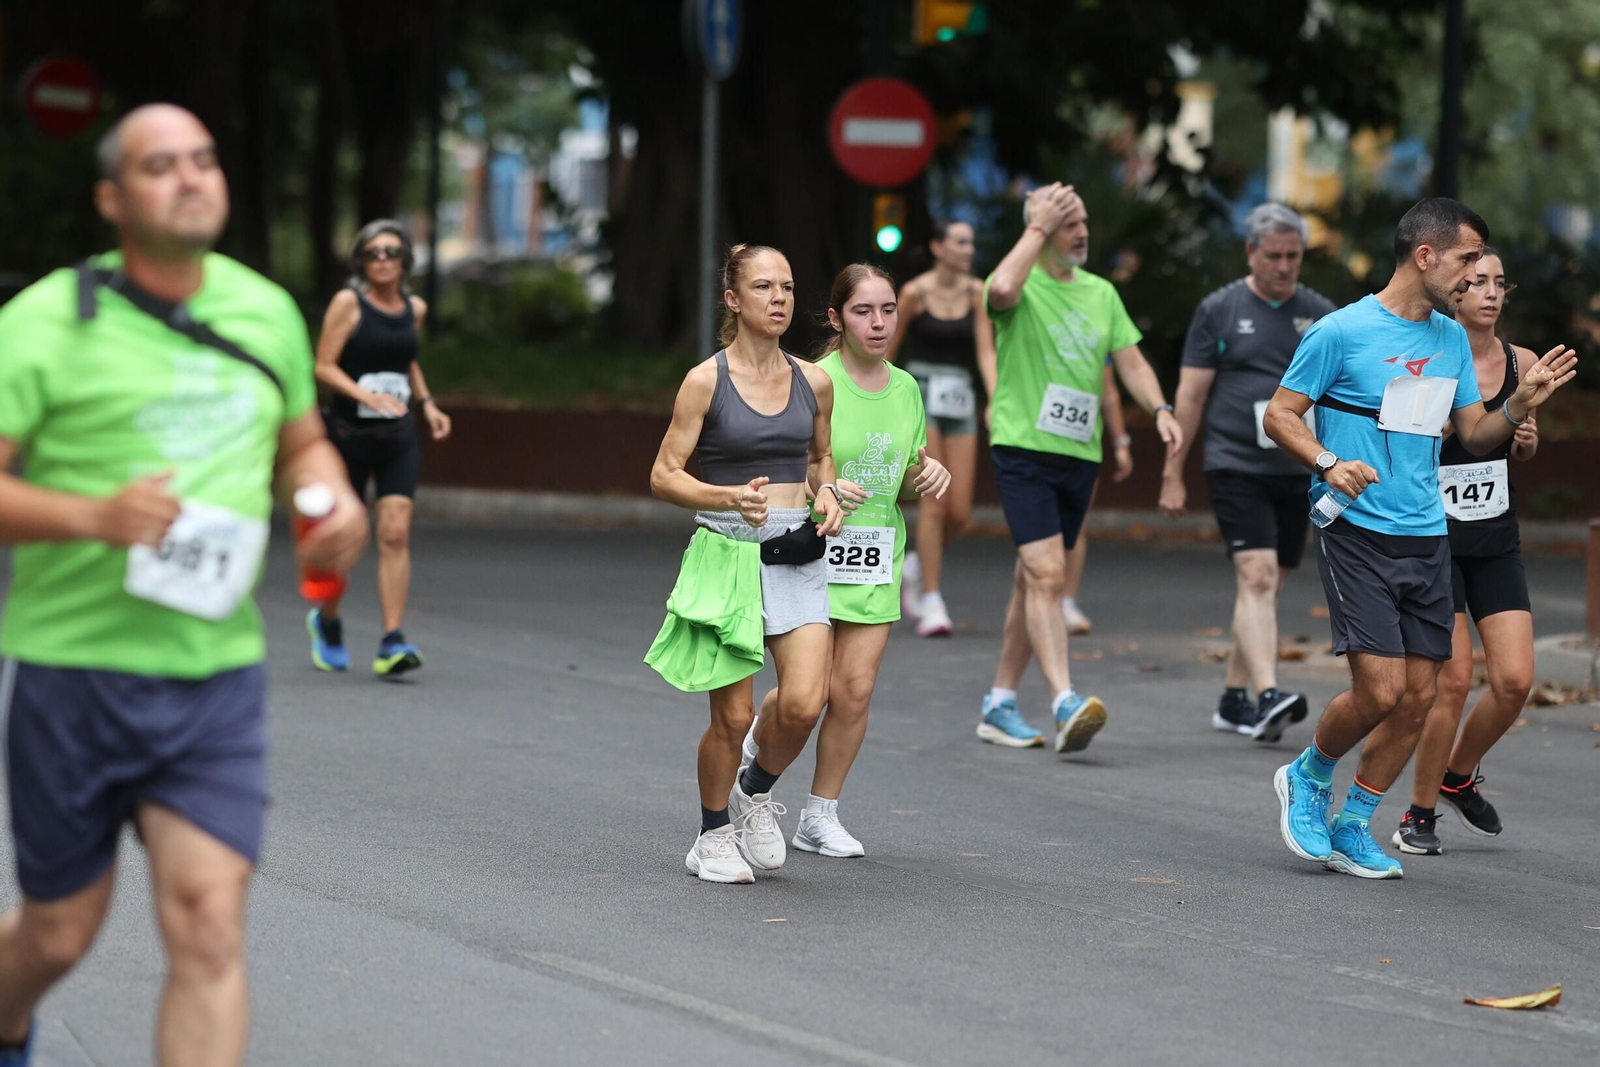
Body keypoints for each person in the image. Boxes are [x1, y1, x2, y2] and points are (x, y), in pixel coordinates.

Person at [0, 104, 367, 1067]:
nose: (193, 177)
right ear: (113, 200)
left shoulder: (262, 310)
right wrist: (91, 517)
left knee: (207, 921)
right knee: (58, 933)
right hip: (72, 673)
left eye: (205, 158)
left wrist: (329, 502)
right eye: (163, 165)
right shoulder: (42, 324)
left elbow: (300, 442)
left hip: (211, 675)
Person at [1265, 198, 1576, 880]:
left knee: (1420, 696)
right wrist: (1328, 463)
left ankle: (1354, 823)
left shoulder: (1448, 340)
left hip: (1427, 531)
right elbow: (1279, 415)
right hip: (1356, 529)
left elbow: (1474, 435)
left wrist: (1516, 407)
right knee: (1379, 690)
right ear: (1426, 255)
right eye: (1467, 261)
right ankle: (1310, 775)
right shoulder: (1341, 332)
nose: (1475, 277)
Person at [645, 243, 846, 884]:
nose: (779, 298)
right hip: (726, 550)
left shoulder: (815, 380)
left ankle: (752, 788)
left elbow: (820, 461)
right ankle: (710, 837)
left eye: (787, 287)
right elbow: (663, 475)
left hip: (795, 548)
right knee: (731, 716)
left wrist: (831, 493)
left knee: (807, 700)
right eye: (764, 287)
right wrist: (724, 495)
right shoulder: (706, 380)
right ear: (734, 300)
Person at [743, 264, 950, 857]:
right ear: (836, 318)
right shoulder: (809, 381)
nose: (879, 322)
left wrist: (926, 471)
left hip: (876, 554)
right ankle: (759, 748)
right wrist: (822, 491)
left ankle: (819, 815)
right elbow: (785, 471)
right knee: (808, 693)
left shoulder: (907, 387)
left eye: (888, 310)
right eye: (864, 311)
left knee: (854, 692)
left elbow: (903, 471)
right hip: (813, 555)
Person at [975, 183, 1182, 752]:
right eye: (1068, 222)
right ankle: (1065, 699)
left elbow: (1132, 361)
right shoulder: (1021, 286)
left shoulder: (1100, 293)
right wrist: (1037, 225)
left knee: (1030, 578)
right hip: (1022, 448)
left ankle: (999, 702)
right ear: (1041, 229)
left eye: (1083, 218)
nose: (1081, 230)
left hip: (1079, 454)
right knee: (1046, 575)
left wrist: (1160, 408)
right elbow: (1000, 288)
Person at [1161, 203, 1335, 739]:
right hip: (1234, 461)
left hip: (1297, 466)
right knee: (1255, 576)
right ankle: (1267, 696)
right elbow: (1190, 394)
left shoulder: (1322, 313)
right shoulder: (1219, 309)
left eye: (1294, 255)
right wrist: (1174, 471)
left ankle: (1234, 699)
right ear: (1251, 253)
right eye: (1274, 256)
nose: (1285, 266)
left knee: (1267, 584)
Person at [1395, 248, 1538, 856]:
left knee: (1513, 681)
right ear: (1455, 288)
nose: (1490, 292)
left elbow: (1520, 454)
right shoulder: (1433, 354)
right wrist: (1455, 421)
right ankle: (1418, 813)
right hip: (1437, 540)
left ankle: (1459, 773)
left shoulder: (1522, 362)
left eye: (1500, 283)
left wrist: (1525, 435)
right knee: (1451, 681)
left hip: (1494, 537)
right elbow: (1404, 439)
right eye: (1478, 281)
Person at [306, 220, 452, 677]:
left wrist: (426, 404)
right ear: (361, 262)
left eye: (391, 252)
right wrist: (364, 395)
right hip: (347, 438)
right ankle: (327, 622)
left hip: (397, 437)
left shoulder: (415, 308)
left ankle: (392, 640)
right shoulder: (349, 304)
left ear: (406, 260)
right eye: (373, 253)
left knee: (394, 532)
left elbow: (404, 357)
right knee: (343, 539)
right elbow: (323, 366)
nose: (383, 259)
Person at [888, 221, 985, 638]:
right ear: (938, 247)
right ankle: (932, 599)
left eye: (971, 242)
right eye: (961, 242)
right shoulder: (914, 293)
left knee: (960, 511)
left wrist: (996, 399)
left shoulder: (977, 293)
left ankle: (916, 564)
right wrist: (882, 396)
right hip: (921, 392)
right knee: (934, 501)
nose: (969, 249)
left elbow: (986, 350)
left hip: (960, 395)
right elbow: (888, 347)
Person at [1057, 359, 1134, 636]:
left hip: (1081, 444)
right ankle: (1039, 599)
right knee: (1041, 528)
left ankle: (1066, 601)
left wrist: (1121, 442)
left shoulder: (1096, 328)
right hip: (1035, 444)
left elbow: (1109, 392)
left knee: (1077, 525)